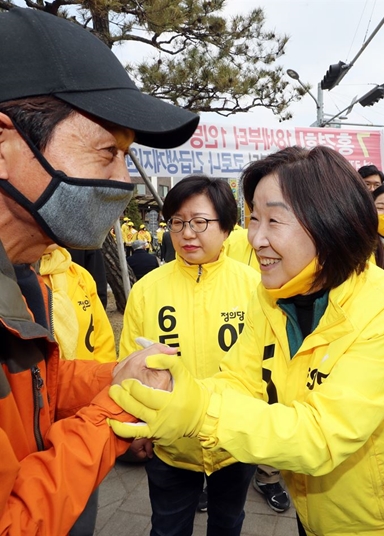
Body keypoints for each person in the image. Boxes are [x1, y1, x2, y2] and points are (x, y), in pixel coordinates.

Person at [109, 145, 384, 536]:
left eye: (274, 220)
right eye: (253, 219)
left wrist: (199, 412)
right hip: (310, 507)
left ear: (329, 222)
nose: (255, 238)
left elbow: (322, 434)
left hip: (379, 522)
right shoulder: (272, 296)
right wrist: (177, 390)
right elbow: (242, 380)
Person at [0, 7, 198, 535]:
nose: (123, 180)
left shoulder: (25, 275)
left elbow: (38, 385)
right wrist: (110, 415)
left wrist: (115, 378)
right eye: (107, 152)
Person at [119, 176, 259, 536]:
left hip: (234, 440)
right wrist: (136, 427)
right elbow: (129, 366)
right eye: (177, 222)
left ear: (227, 227)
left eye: (200, 222)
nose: (187, 233)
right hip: (169, 444)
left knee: (227, 525)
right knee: (167, 527)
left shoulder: (255, 287)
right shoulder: (147, 288)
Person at [39, 245, 118, 536]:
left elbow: (102, 343)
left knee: (80, 518)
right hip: (31, 426)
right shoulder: (18, 278)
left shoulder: (79, 275)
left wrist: (103, 404)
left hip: (79, 420)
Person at [222, 225, 292, 513]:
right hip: (239, 335)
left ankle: (268, 476)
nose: (259, 238)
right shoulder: (237, 238)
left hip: (270, 333)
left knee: (275, 400)